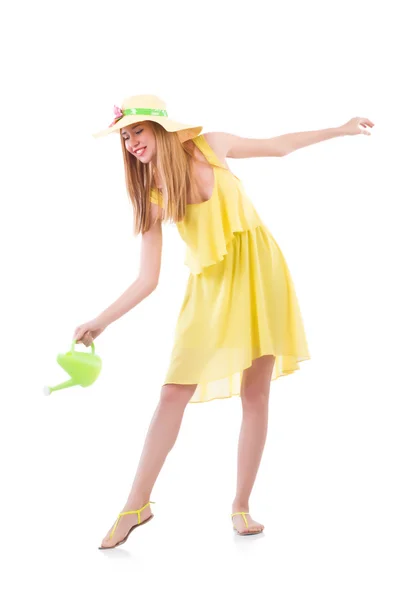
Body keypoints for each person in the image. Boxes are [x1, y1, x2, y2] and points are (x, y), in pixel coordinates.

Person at [73, 94, 374, 548]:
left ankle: (242, 507)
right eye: (125, 136)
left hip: (262, 276)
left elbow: (280, 146)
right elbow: (146, 279)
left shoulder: (212, 145)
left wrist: (341, 128)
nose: (132, 142)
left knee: (256, 393)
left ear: (161, 127)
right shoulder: (152, 196)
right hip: (210, 292)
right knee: (173, 392)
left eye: (138, 130)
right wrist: (101, 320)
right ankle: (136, 504)